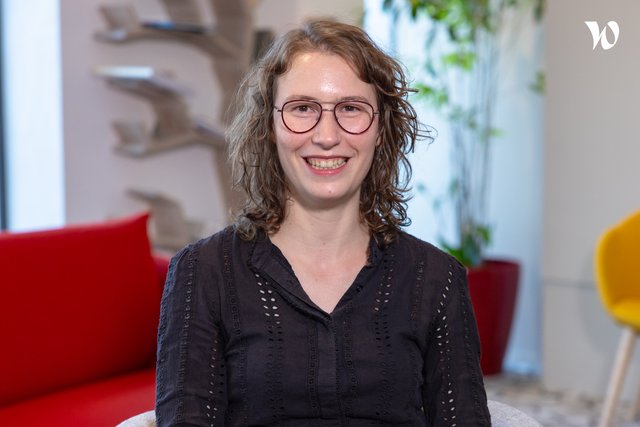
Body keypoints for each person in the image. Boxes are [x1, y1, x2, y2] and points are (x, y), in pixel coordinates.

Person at [155, 18, 490, 426]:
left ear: (380, 128)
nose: (327, 136)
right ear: (270, 127)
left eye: (350, 109)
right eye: (302, 108)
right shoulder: (201, 272)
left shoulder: (438, 278)